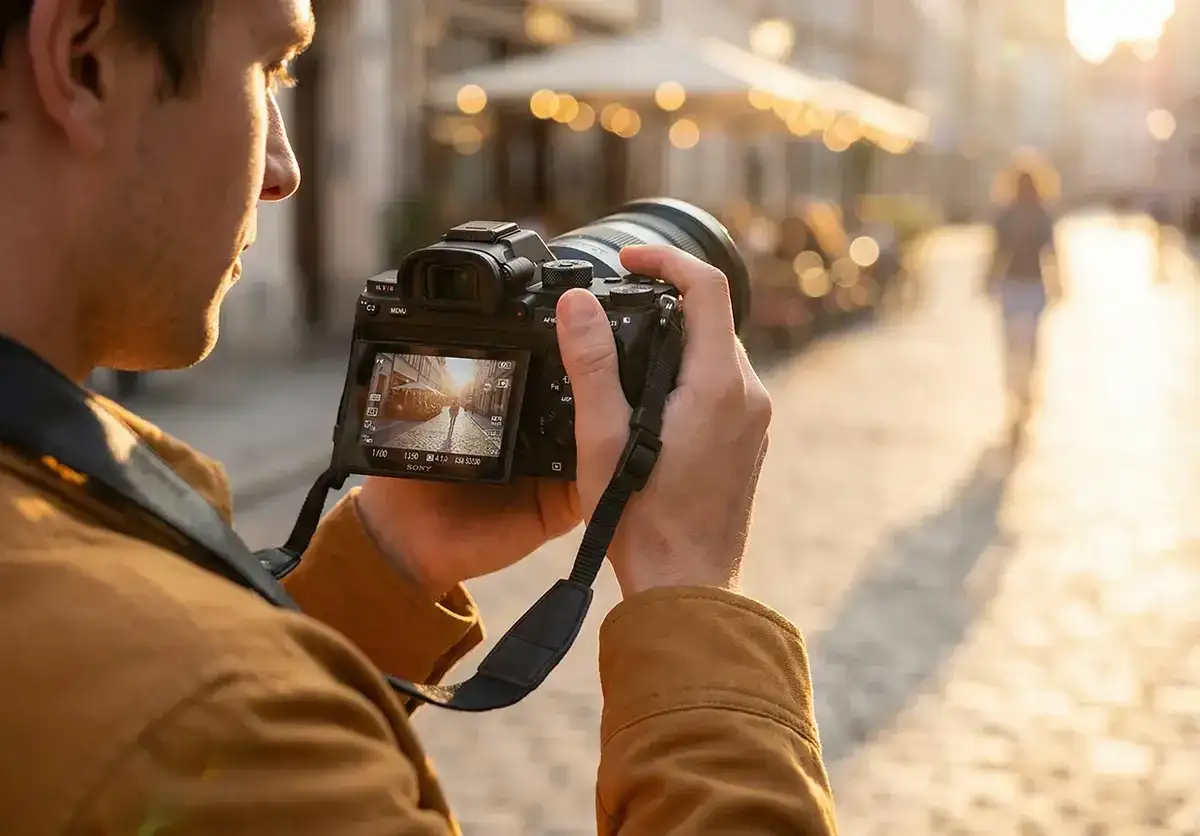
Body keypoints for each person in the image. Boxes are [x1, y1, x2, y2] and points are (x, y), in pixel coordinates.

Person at [0, 1, 837, 834]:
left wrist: (387, 562)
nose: (283, 170)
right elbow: (205, 734)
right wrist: (688, 586)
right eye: (268, 70)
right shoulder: (200, 718)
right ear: (85, 60)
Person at [987, 169, 1060, 444]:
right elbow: (998, 251)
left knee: (1017, 345)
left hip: (1023, 286)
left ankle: (1022, 393)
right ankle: (1021, 393)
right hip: (1024, 285)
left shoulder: (1031, 215)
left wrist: (989, 278)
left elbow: (1051, 252)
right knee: (1023, 345)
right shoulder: (1023, 215)